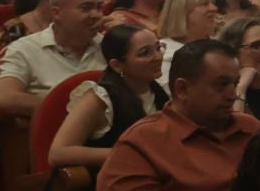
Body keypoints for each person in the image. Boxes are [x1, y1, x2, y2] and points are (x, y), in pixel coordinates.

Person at [96, 39, 260, 191]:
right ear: (182, 89)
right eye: (221, 85)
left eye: (235, 83)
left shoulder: (250, 128)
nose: (232, 95)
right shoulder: (144, 140)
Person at [48, 25, 169, 169]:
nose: (158, 57)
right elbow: (58, 153)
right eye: (145, 53)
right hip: (113, 180)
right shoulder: (100, 98)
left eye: (158, 48)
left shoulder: (161, 90)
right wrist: (128, 155)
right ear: (117, 65)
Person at [0, 0, 106, 117]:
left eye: (99, 7)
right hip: (51, 132)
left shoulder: (109, 45)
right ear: (57, 13)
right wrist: (69, 110)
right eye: (85, 8)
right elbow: (4, 98)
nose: (96, 15)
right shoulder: (25, 49)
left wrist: (124, 44)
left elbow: (126, 78)